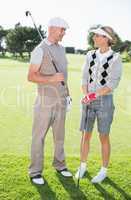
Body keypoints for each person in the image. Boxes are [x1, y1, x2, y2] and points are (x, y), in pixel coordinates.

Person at [75, 25, 122, 183]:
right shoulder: (90, 54)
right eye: (94, 35)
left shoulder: (115, 58)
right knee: (85, 135)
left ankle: (103, 170)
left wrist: (93, 95)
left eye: (97, 36)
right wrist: (86, 94)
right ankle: (82, 166)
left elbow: (112, 84)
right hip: (88, 99)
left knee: (103, 136)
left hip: (105, 102)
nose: (94, 38)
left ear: (106, 39)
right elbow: (84, 77)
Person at [28, 17, 72, 185]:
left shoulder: (61, 49)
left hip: (61, 100)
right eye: (62, 30)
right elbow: (31, 76)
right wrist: (52, 77)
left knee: (59, 136)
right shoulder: (39, 50)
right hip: (45, 101)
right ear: (53, 29)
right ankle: (35, 171)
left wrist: (67, 95)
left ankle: (60, 165)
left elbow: (64, 77)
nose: (64, 33)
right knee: (38, 137)